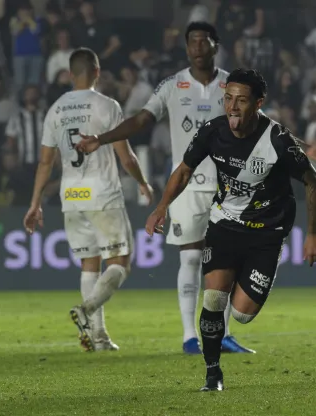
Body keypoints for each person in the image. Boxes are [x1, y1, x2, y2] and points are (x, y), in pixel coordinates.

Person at [73, 21, 255, 355]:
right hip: (185, 184)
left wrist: (301, 149)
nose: (197, 47)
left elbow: (263, 127)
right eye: (192, 42)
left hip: (229, 185)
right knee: (190, 258)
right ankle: (189, 337)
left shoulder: (233, 84)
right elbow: (142, 120)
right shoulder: (173, 85)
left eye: (204, 41)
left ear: (216, 45)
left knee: (231, 262)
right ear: (186, 48)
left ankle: (224, 334)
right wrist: (100, 139)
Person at [144, 68, 316, 391]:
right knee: (214, 298)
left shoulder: (277, 140)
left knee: (242, 314)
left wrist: (314, 233)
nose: (232, 107)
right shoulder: (212, 132)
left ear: (259, 103)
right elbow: (184, 170)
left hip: (267, 232)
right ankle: (212, 372)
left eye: (241, 101)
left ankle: (247, 274)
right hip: (225, 224)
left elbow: (312, 180)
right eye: (228, 98)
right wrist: (161, 207)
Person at [23, 48, 154, 352]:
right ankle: (87, 309)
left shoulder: (55, 109)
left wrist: (35, 203)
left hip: (71, 195)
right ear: (97, 72)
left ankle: (99, 337)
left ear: (70, 74)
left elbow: (45, 162)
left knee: (89, 264)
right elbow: (126, 155)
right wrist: (143, 183)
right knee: (121, 262)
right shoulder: (107, 106)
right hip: (102, 193)